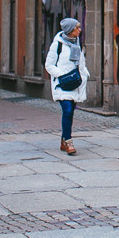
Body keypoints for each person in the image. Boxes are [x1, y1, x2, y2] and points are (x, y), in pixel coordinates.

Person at [44, 17, 88, 155]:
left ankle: (64, 140)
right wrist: (61, 75)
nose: (80, 30)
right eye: (77, 28)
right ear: (70, 30)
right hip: (62, 84)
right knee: (68, 110)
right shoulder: (57, 45)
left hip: (75, 83)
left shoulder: (77, 44)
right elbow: (49, 65)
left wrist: (84, 74)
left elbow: (80, 62)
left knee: (70, 113)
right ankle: (69, 142)